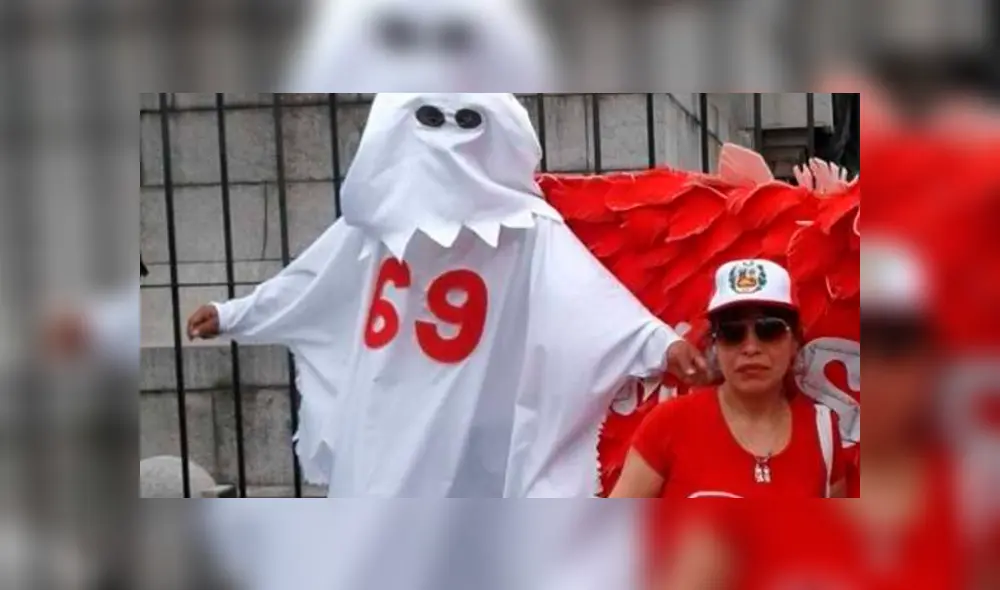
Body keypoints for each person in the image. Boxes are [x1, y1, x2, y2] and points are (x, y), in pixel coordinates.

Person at [187, 93, 709, 497]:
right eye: (431, 119)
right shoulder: (373, 224)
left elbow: (589, 298)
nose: (451, 137)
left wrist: (657, 344)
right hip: (385, 412)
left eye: (468, 121)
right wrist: (234, 314)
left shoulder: (528, 229)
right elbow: (311, 282)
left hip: (477, 418)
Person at [611, 259, 846, 499]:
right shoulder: (669, 424)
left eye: (769, 330)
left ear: (795, 341)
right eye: (732, 333)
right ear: (714, 344)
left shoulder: (822, 430)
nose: (751, 347)